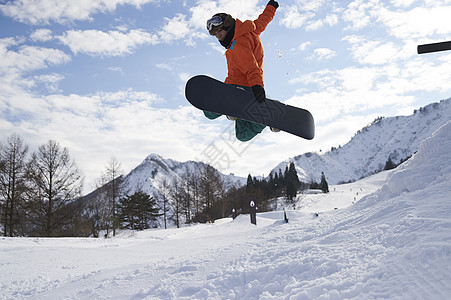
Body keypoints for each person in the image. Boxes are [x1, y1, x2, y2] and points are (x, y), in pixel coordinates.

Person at [205, 0, 279, 142]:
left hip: (237, 88)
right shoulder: (251, 29)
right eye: (215, 35)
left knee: (209, 111)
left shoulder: (237, 44)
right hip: (251, 91)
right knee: (242, 135)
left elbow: (251, 67)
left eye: (219, 31)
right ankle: (264, 116)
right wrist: (272, 7)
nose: (218, 36)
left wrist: (258, 86)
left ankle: (232, 107)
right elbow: (263, 20)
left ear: (228, 26)